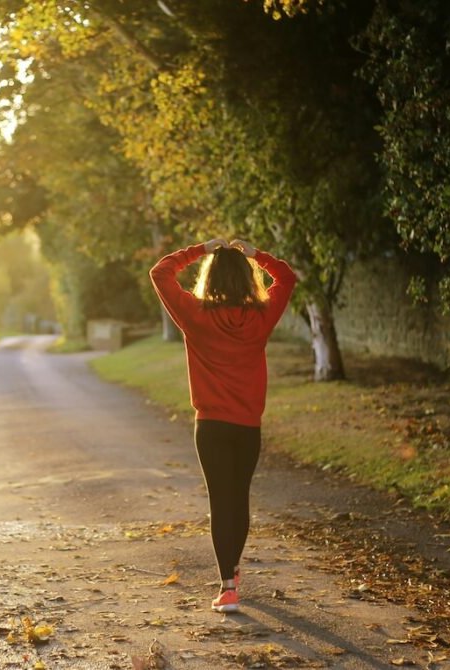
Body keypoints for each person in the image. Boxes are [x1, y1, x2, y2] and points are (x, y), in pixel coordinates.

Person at [149, 237, 297, 613]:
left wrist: (200, 249)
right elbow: (287, 277)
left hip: (211, 426)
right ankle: (232, 571)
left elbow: (160, 272)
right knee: (239, 498)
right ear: (248, 280)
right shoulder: (261, 316)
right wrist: (256, 255)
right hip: (247, 426)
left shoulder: (195, 315)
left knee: (220, 501)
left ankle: (228, 586)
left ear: (209, 278)